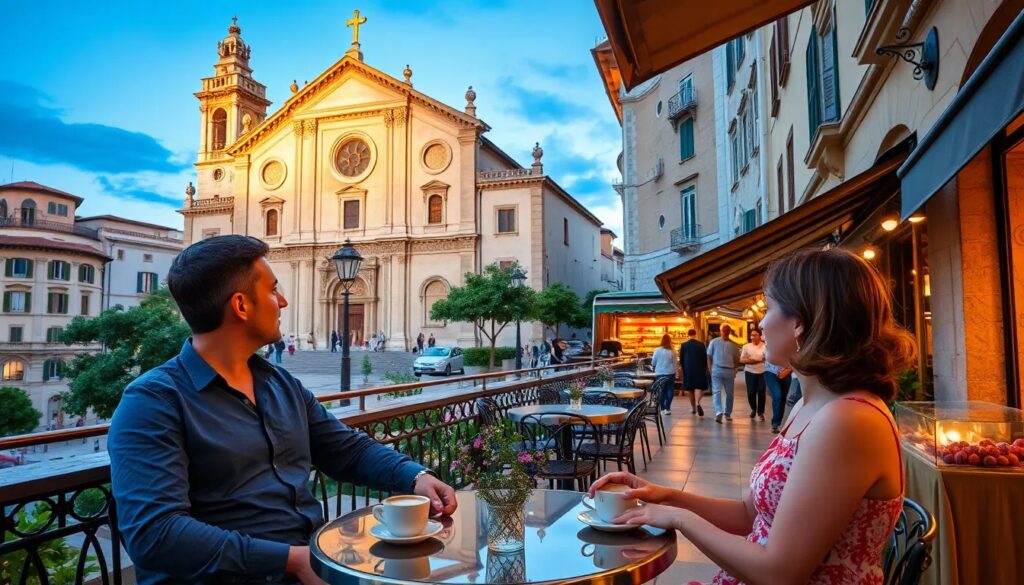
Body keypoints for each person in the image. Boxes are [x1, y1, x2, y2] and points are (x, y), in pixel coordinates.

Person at [107, 235, 458, 585]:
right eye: (273, 291)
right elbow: (156, 535)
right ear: (241, 306)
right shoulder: (152, 401)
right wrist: (290, 561)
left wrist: (415, 476)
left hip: (308, 565)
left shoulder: (280, 384)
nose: (284, 302)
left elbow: (346, 449)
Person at [588, 247, 914, 585]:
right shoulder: (812, 406)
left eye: (769, 307)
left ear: (800, 323)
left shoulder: (847, 421)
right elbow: (749, 515)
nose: (760, 322)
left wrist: (679, 518)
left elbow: (779, 573)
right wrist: (663, 494)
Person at [706, 324, 741, 423]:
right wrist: (710, 367)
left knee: (723, 392)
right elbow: (708, 355)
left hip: (723, 369)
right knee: (723, 392)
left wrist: (734, 369)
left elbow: (736, 359)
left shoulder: (731, 344)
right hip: (722, 369)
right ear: (721, 331)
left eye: (726, 331)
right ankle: (723, 412)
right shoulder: (717, 342)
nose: (725, 332)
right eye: (724, 330)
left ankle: (723, 412)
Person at [679, 329, 709, 416]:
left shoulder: (684, 345)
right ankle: (697, 403)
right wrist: (706, 367)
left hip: (688, 369)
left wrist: (682, 368)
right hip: (699, 368)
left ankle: (693, 408)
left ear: (688, 334)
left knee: (690, 389)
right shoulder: (701, 345)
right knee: (699, 387)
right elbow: (704, 357)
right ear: (695, 334)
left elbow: (681, 359)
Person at [740, 328, 768, 422]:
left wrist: (758, 360)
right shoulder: (746, 347)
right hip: (750, 372)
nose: (753, 337)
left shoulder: (765, 346)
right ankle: (753, 408)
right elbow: (741, 360)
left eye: (755, 335)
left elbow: (767, 359)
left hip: (763, 372)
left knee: (761, 391)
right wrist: (754, 361)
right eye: (751, 335)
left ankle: (760, 412)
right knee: (751, 392)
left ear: (760, 336)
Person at [650, 334, 678, 415]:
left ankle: (662, 408)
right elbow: (675, 363)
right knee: (670, 390)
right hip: (670, 372)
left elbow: (653, 362)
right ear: (670, 341)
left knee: (661, 390)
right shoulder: (672, 351)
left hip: (659, 372)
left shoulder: (657, 350)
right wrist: (677, 373)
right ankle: (668, 408)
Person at [764, 361, 792, 433]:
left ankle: (777, 423)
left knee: (782, 398)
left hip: (786, 372)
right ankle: (775, 423)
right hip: (770, 372)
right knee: (777, 396)